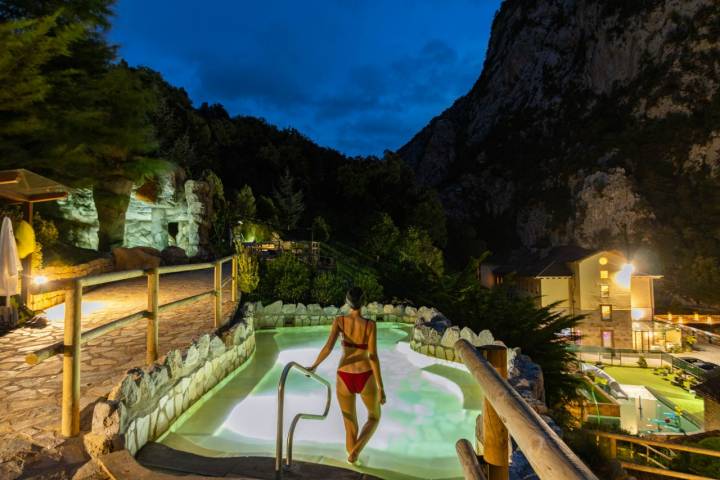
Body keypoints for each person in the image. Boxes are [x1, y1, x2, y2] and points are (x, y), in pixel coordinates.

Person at [306, 287, 386, 463]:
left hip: (344, 375)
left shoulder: (340, 321)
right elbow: (372, 356)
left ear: (347, 302)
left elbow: (328, 348)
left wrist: (314, 365)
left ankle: (352, 455)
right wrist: (381, 387)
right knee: (374, 417)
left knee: (350, 425)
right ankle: (355, 452)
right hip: (365, 375)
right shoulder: (370, 325)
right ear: (363, 302)